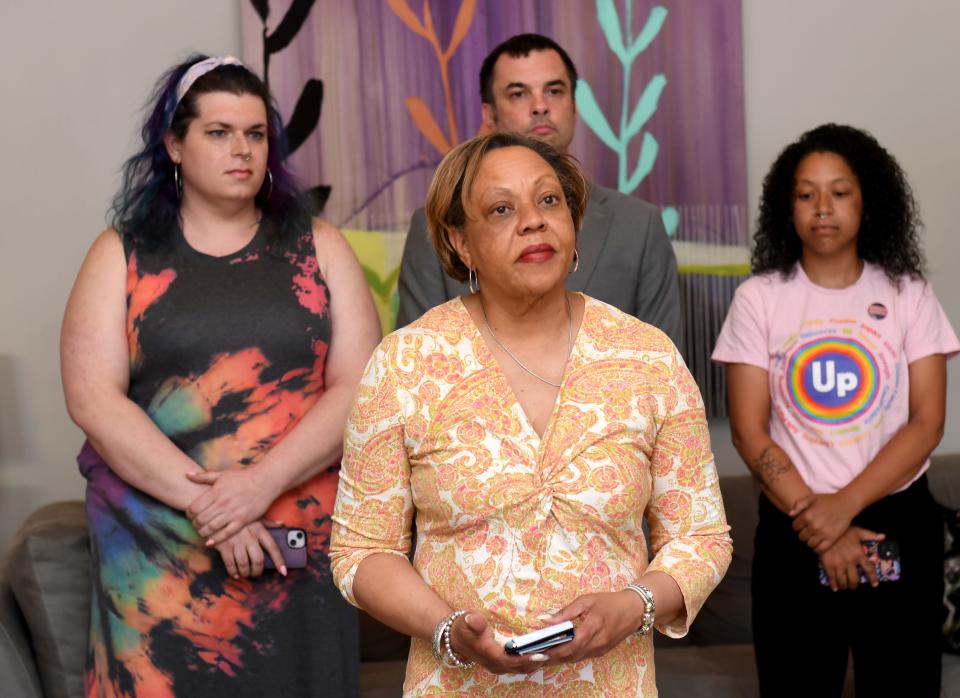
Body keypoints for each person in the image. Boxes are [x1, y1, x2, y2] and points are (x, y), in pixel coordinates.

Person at [331, 132, 731, 695]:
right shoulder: (405, 364)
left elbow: (703, 536)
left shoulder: (646, 356)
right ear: (460, 243)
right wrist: (446, 630)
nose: (534, 222)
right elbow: (362, 551)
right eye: (501, 209)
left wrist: (634, 605)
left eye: (549, 201)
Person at [60, 55, 381, 696]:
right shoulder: (119, 253)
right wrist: (218, 507)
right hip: (160, 556)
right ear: (175, 144)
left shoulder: (319, 244)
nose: (242, 150)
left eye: (255, 134)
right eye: (219, 132)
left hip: (299, 544)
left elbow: (361, 387)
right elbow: (93, 398)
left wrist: (258, 486)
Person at [712, 123, 959, 697]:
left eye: (840, 191)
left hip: (896, 519)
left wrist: (842, 509)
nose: (823, 208)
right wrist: (819, 525)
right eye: (806, 194)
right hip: (793, 523)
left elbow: (928, 423)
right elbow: (750, 433)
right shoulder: (760, 298)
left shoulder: (909, 294)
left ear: (867, 201)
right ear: (787, 207)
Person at [396, 33, 683, 347]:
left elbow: (664, 362)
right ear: (489, 115)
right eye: (519, 94)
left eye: (554, 91)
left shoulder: (639, 225)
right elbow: (415, 359)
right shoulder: (435, 225)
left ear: (574, 106)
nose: (540, 107)